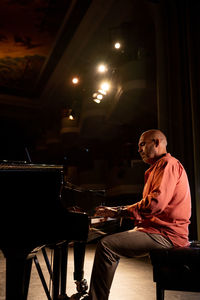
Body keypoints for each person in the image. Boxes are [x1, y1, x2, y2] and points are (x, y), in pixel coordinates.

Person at [82, 129, 191, 300]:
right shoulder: (158, 167)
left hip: (166, 235)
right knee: (110, 238)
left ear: (156, 142)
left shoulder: (167, 164)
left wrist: (118, 212)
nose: (139, 149)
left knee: (106, 246)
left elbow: (155, 205)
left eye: (142, 144)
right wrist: (117, 213)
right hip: (155, 230)